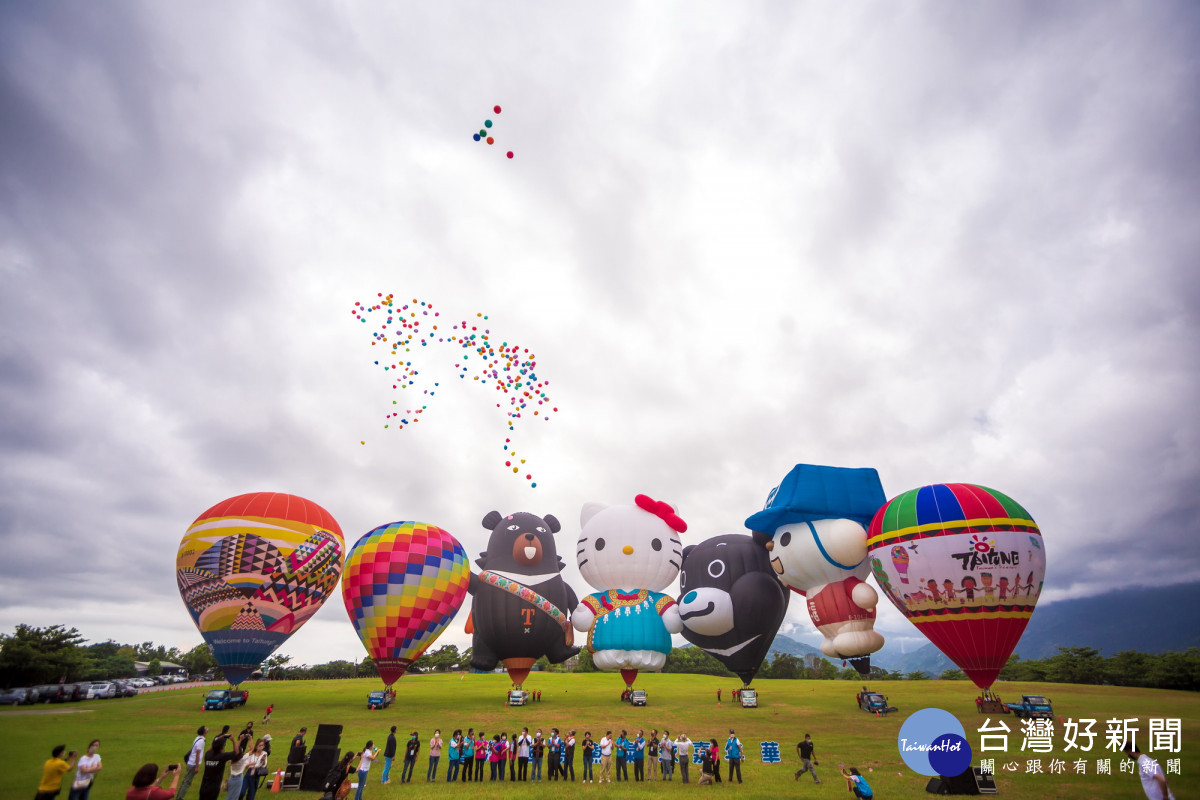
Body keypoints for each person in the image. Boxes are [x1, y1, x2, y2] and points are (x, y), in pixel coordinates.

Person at [197, 734, 243, 800]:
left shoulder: (208, 755)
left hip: (204, 787)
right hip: (213, 789)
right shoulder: (222, 757)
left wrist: (217, 740)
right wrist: (233, 740)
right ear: (221, 748)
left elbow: (211, 749)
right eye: (224, 746)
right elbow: (236, 752)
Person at [177, 726, 207, 800]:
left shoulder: (198, 738)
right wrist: (197, 766)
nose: (207, 730)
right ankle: (180, 798)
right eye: (206, 729)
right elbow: (198, 754)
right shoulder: (201, 741)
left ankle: (179, 797)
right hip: (193, 764)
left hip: (190, 762)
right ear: (203, 732)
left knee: (185, 781)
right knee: (187, 782)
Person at [223, 735, 255, 800]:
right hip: (238, 779)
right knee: (235, 796)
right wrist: (250, 739)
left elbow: (235, 750)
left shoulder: (231, 759)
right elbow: (253, 750)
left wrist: (239, 740)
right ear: (241, 752)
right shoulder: (243, 758)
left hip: (231, 778)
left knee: (229, 795)